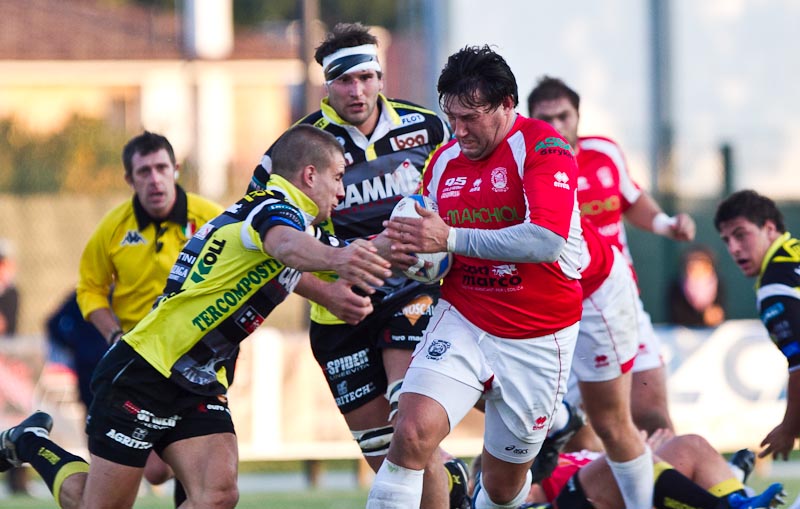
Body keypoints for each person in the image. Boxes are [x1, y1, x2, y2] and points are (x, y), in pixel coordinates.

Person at [0, 124, 393, 509]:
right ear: (310, 175)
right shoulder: (269, 209)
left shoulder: (300, 227)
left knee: (218, 494)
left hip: (198, 379)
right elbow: (287, 247)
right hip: (146, 370)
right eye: (338, 177)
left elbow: (326, 254)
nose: (343, 190)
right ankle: (31, 442)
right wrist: (339, 261)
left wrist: (434, 237)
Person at [248, 22, 465, 508]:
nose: (357, 90)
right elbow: (263, 242)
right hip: (338, 310)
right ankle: (454, 482)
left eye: (366, 77)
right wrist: (321, 291)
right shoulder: (296, 150)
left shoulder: (428, 129)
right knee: (385, 456)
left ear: (381, 77)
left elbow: (465, 193)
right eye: (344, 81)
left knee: (409, 420)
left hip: (414, 293)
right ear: (328, 84)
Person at [366, 45, 584, 509]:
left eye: (471, 117)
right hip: (463, 316)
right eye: (451, 117)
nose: (458, 130)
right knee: (409, 433)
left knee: (503, 488)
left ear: (507, 104)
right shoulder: (444, 161)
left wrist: (450, 239)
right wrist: (367, 256)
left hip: (539, 337)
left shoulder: (543, 147)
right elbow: (426, 239)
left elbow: (546, 240)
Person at [527, 76, 697, 435]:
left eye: (563, 116)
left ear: (578, 116)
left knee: (654, 418)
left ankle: (665, 491)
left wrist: (667, 224)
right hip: (563, 311)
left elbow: (631, 200)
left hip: (621, 300)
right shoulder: (523, 168)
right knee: (583, 434)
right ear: (530, 120)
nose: (556, 126)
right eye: (546, 118)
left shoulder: (604, 153)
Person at [75, 130, 223, 503]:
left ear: (175, 169)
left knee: (213, 485)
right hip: (140, 362)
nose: (155, 179)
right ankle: (33, 447)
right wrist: (113, 335)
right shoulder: (114, 227)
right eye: (144, 171)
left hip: (199, 361)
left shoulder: (210, 219)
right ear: (130, 179)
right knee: (157, 470)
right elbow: (89, 288)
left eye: (161, 168)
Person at [471, 429, 786, 509]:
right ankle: (730, 494)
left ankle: (737, 497)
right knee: (627, 456)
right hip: (577, 503)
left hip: (617, 493)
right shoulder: (507, 477)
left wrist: (642, 449)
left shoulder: (571, 452)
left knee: (690, 445)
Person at [714, 189, 800, 462]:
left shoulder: (776, 287)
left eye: (741, 235)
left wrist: (789, 428)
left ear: (769, 229)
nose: (734, 248)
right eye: (727, 240)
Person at [0, 238, 29, 496]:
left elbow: (5, 326)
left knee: (15, 420)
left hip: (7, 366)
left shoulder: (11, 292)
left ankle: (18, 480)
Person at [667, 244, 726, 327]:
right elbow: (677, 316)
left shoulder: (719, 285)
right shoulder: (676, 286)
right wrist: (703, 317)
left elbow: (721, 312)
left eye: (703, 265)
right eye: (693, 266)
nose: (698, 269)